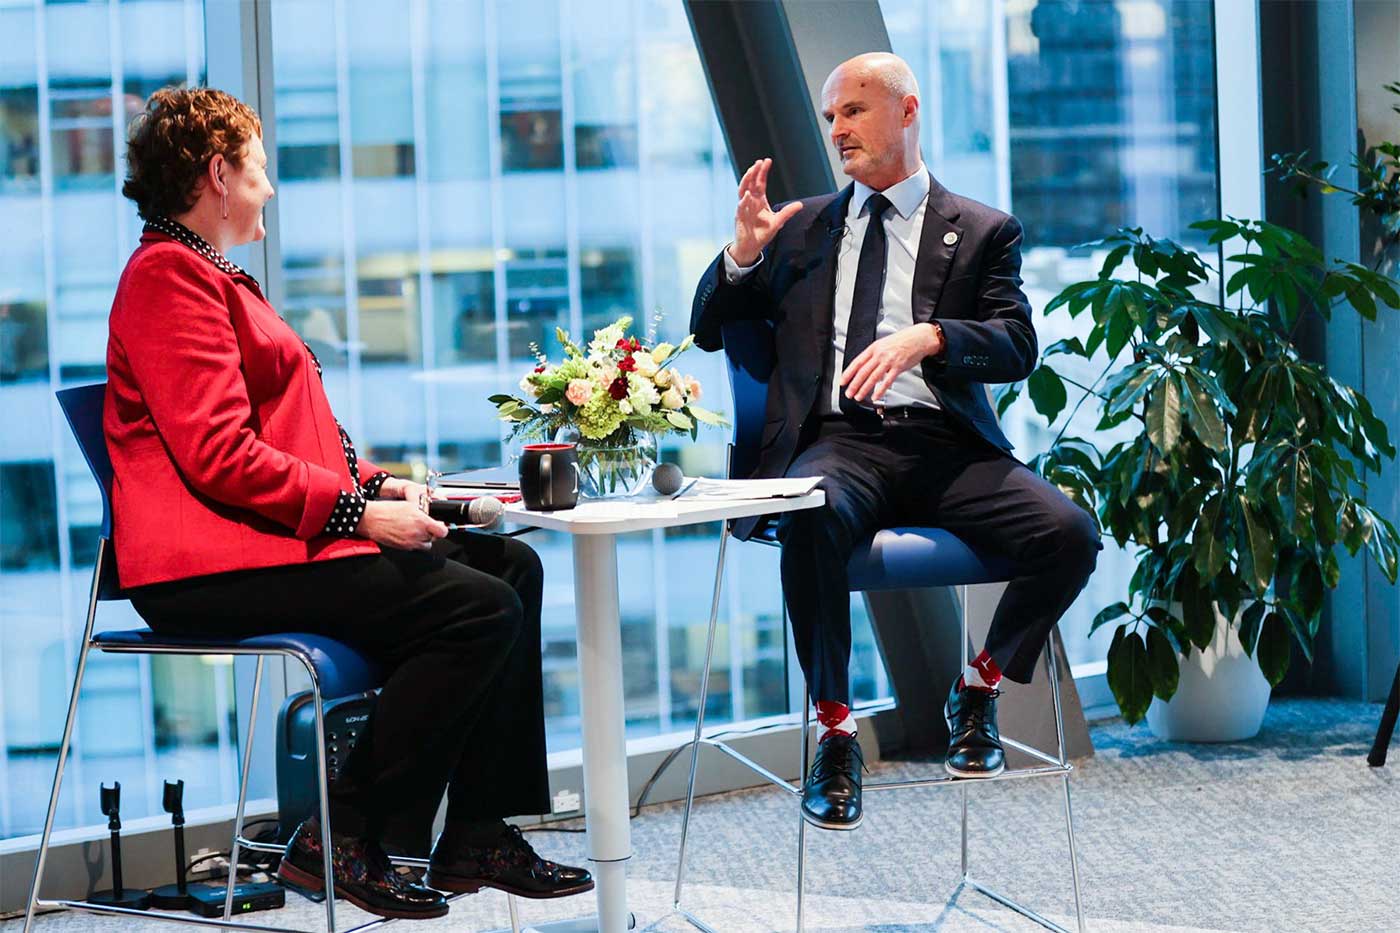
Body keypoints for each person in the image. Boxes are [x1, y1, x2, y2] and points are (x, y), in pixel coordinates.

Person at [105, 87, 591, 920]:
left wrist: (376, 486)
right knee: (474, 611)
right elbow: (220, 456)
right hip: (205, 566)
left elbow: (282, 438)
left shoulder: (208, 274)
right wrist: (359, 515)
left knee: (511, 562)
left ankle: (476, 829)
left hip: (259, 539)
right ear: (218, 174)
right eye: (259, 168)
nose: (269, 186)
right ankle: (343, 833)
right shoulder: (166, 281)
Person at [690, 53, 1102, 831]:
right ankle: (837, 733)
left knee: (1070, 533)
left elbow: (1018, 344)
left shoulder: (981, 230)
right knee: (812, 515)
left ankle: (978, 686)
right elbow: (709, 329)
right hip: (840, 443)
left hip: (949, 446)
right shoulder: (801, 227)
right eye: (831, 118)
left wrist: (932, 337)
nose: (838, 129)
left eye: (854, 110)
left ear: (907, 112)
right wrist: (742, 254)